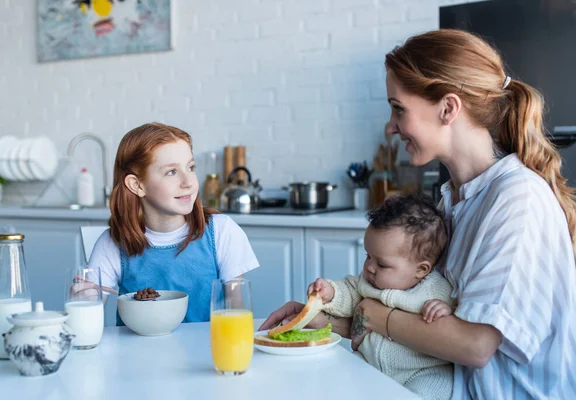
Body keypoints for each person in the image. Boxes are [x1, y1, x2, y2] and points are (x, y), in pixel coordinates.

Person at [260, 29, 576, 399]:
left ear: (448, 108)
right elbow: (424, 322)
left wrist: (372, 312)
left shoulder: (516, 200)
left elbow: (474, 345)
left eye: (398, 109)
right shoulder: (454, 200)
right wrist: (322, 320)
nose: (390, 126)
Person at [88, 122, 259, 324]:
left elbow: (237, 316)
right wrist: (82, 299)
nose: (188, 182)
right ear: (137, 185)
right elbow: (86, 317)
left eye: (190, 167)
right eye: (171, 172)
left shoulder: (221, 231)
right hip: (136, 354)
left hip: (206, 353)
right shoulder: (112, 244)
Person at [309, 194, 454, 400]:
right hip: (369, 365)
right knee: (338, 382)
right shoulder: (368, 282)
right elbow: (349, 293)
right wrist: (330, 292)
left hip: (421, 373)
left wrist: (446, 310)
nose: (369, 267)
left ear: (421, 270)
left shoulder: (435, 291)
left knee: (429, 391)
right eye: (368, 256)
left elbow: (458, 318)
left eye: (382, 264)